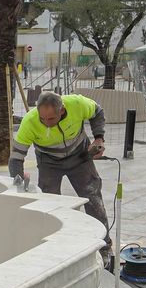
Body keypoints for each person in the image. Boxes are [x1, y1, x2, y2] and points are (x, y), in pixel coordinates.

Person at [8, 91, 112, 265]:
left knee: (93, 197)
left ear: (62, 111)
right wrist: (19, 180)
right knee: (50, 203)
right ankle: (52, 248)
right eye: (43, 119)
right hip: (49, 162)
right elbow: (16, 158)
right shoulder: (30, 121)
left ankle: (104, 247)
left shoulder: (77, 103)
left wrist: (98, 138)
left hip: (80, 156)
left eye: (51, 119)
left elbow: (98, 112)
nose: (46, 123)